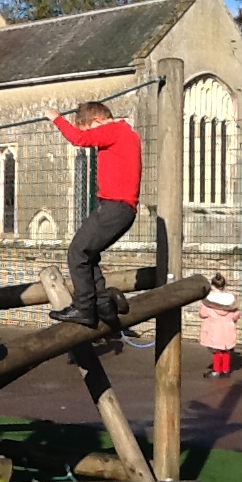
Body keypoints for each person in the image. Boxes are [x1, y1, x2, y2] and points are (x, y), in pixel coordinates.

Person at [44, 101, 141, 328]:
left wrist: (56, 118)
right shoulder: (128, 133)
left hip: (115, 207)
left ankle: (85, 308)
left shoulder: (115, 130)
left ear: (97, 121)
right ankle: (102, 303)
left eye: (90, 129)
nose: (93, 138)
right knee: (89, 254)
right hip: (121, 209)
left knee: (77, 252)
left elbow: (79, 138)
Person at [199, 273, 241, 379]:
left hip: (214, 329)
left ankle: (217, 370)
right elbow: (236, 315)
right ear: (224, 286)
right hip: (228, 328)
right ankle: (226, 369)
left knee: (216, 350)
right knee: (226, 350)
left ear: (213, 286)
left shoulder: (209, 301)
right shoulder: (231, 300)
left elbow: (202, 314)